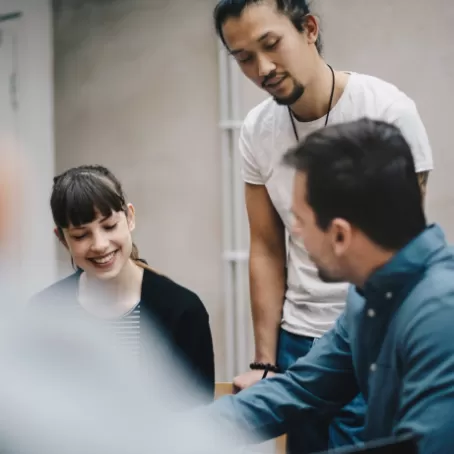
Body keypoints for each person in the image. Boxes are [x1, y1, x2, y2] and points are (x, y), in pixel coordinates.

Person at [213, 0, 433, 451]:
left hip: (373, 332)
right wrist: (266, 362)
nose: (263, 68)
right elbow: (267, 248)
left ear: (308, 29)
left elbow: (400, 242)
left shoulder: (386, 111)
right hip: (306, 334)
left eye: (270, 45)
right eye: (244, 58)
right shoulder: (257, 129)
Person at [209, 118, 454, 454]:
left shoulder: (441, 314)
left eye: (300, 220)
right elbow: (301, 389)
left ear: (340, 235)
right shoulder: (366, 294)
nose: (294, 230)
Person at [32, 164, 215, 401]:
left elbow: (196, 417)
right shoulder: (45, 312)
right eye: (80, 235)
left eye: (109, 226)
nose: (99, 244)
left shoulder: (183, 310)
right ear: (62, 238)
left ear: (130, 218)